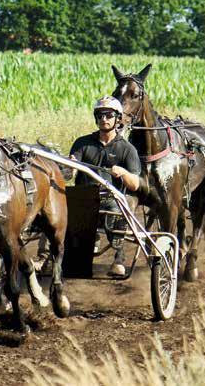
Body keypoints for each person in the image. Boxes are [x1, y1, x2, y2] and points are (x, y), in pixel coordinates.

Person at [69, 96, 141, 276]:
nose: (104, 119)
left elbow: (135, 185)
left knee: (116, 209)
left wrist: (124, 173)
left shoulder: (127, 149)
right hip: (83, 196)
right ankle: (48, 257)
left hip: (110, 196)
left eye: (108, 115)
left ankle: (119, 258)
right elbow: (69, 170)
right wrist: (69, 165)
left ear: (117, 119)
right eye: (100, 115)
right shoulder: (82, 143)